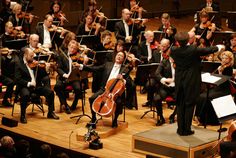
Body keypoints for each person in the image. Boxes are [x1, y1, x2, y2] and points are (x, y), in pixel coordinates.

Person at [170, 31, 224, 136]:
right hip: (190, 81)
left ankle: (180, 129)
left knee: (180, 105)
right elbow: (208, 50)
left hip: (179, 81)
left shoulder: (173, 50)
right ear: (187, 40)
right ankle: (186, 130)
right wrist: (218, 46)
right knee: (189, 104)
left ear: (177, 42)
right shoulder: (193, 49)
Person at [81, 51, 132, 127]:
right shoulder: (108, 64)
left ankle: (114, 120)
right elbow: (95, 68)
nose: (119, 57)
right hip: (105, 89)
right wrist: (82, 66)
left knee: (118, 102)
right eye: (118, 55)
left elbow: (129, 82)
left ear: (123, 59)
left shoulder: (125, 69)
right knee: (92, 98)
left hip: (115, 92)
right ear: (115, 56)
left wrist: (123, 79)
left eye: (121, 56)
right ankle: (93, 118)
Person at [15, 48, 59, 123]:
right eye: (31, 56)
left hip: (36, 87)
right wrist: (28, 83)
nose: (33, 58)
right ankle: (22, 115)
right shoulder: (19, 64)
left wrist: (46, 69)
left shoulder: (35, 64)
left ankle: (51, 112)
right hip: (25, 87)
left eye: (33, 56)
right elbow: (17, 79)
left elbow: (43, 75)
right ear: (25, 55)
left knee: (50, 92)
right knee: (25, 94)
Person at [195, 51, 234, 125]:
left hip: (224, 89)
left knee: (208, 97)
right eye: (223, 58)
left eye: (226, 58)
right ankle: (199, 116)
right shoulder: (221, 66)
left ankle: (207, 120)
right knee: (202, 96)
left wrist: (220, 72)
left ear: (230, 59)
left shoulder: (229, 68)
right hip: (217, 88)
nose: (224, 60)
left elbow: (223, 80)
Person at [54, 40, 87, 113]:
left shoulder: (78, 57)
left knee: (78, 89)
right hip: (64, 77)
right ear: (68, 46)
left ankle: (74, 104)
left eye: (75, 48)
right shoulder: (61, 55)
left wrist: (84, 60)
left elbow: (82, 68)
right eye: (71, 47)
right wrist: (65, 75)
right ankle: (65, 105)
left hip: (74, 78)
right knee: (57, 87)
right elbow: (58, 68)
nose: (72, 50)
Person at [153, 56, 176, 126]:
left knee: (183, 98)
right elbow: (157, 74)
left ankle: (173, 115)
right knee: (156, 98)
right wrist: (165, 80)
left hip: (176, 88)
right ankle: (161, 117)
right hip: (165, 87)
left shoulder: (180, 62)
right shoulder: (164, 62)